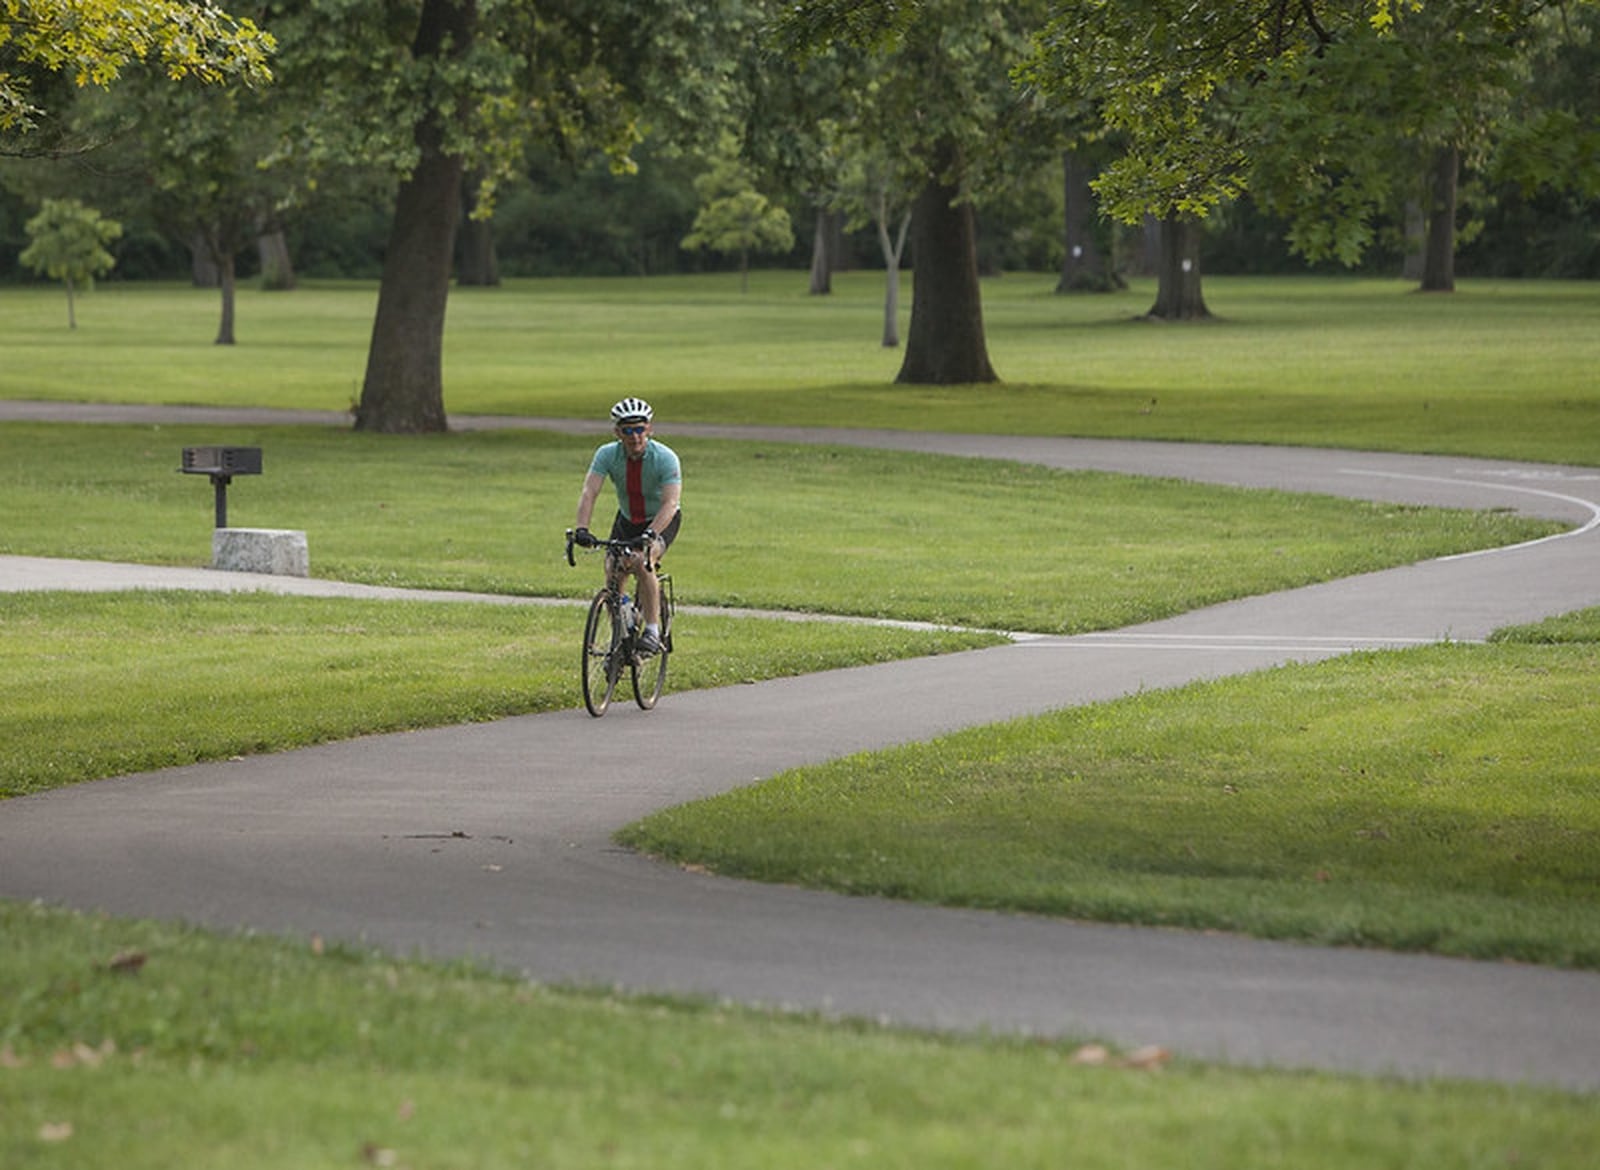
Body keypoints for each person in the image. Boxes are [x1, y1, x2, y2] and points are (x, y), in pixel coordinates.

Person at [572, 397, 681, 655]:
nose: (635, 436)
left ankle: (653, 631)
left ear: (650, 429)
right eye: (628, 430)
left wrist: (650, 535)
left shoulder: (665, 458)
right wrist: (582, 529)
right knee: (613, 569)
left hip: (661, 519)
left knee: (643, 561)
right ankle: (620, 635)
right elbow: (589, 492)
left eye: (640, 428)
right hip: (627, 519)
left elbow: (671, 503)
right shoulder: (607, 454)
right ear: (617, 432)